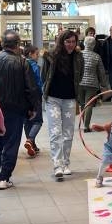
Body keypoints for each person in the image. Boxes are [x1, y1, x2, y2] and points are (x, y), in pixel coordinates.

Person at [0, 31, 40, 189]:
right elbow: (31, 88)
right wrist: (33, 108)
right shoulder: (23, 63)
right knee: (11, 143)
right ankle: (4, 178)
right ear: (18, 45)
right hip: (15, 109)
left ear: (2, 44)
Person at [42, 29, 84, 181]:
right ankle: (57, 165)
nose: (71, 44)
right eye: (68, 41)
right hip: (53, 98)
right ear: (62, 42)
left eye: (73, 41)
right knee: (55, 132)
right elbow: (44, 76)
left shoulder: (79, 57)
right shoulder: (50, 55)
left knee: (68, 133)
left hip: (70, 99)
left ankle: (65, 163)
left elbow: (80, 76)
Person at [80, 33, 107, 132]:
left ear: (84, 44)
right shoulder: (97, 57)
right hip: (92, 84)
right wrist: (103, 85)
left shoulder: (79, 55)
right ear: (94, 45)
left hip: (79, 83)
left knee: (82, 104)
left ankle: (84, 123)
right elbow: (101, 72)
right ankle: (86, 126)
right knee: (89, 104)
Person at [23, 44, 44, 156]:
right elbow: (38, 82)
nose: (38, 56)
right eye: (36, 54)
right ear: (30, 54)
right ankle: (30, 139)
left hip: (24, 97)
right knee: (38, 121)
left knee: (27, 121)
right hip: (35, 96)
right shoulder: (34, 66)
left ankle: (32, 145)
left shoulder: (20, 64)